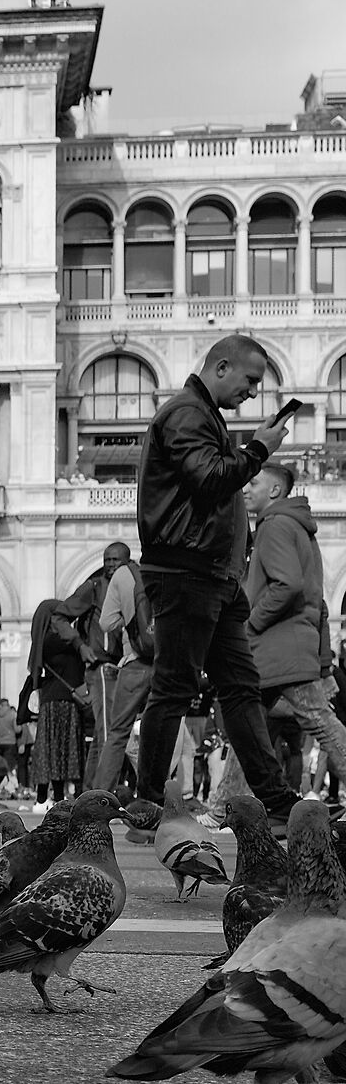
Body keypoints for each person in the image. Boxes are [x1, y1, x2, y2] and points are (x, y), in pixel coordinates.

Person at [127, 335, 298, 830]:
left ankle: (274, 799)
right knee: (176, 688)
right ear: (221, 367)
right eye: (249, 380)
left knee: (240, 688)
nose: (252, 392)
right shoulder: (186, 414)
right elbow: (210, 478)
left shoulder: (201, 416)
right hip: (187, 573)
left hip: (211, 575)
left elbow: (211, 479)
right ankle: (148, 804)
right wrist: (260, 448)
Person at [244, 462, 346, 800]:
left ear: (274, 491)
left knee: (319, 723)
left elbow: (286, 585)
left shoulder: (275, 526)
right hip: (286, 644)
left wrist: (252, 622)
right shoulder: (298, 527)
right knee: (246, 728)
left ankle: (226, 806)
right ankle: (224, 806)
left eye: (253, 483)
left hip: (277, 645)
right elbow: (314, 597)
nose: (245, 488)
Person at [85, 543, 154, 793]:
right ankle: (155, 795)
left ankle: (99, 794)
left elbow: (106, 622)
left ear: (123, 560)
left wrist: (131, 624)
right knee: (162, 729)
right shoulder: (161, 569)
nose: (110, 565)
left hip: (134, 661)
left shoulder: (123, 577)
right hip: (167, 662)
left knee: (117, 733)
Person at [22, 598, 91, 810]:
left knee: (50, 750)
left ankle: (46, 797)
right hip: (64, 702)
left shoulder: (44, 642)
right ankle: (57, 796)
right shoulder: (58, 641)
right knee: (64, 750)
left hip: (51, 702)